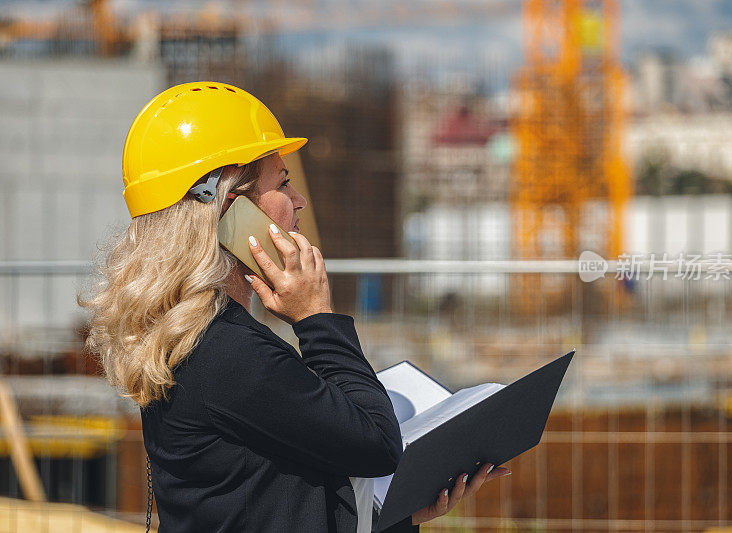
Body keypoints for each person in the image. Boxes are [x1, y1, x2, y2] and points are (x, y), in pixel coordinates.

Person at [78, 81, 509, 532]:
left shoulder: (202, 341)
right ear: (230, 211)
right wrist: (317, 319)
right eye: (283, 184)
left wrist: (395, 514)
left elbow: (275, 498)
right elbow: (379, 444)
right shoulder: (225, 354)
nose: (299, 200)